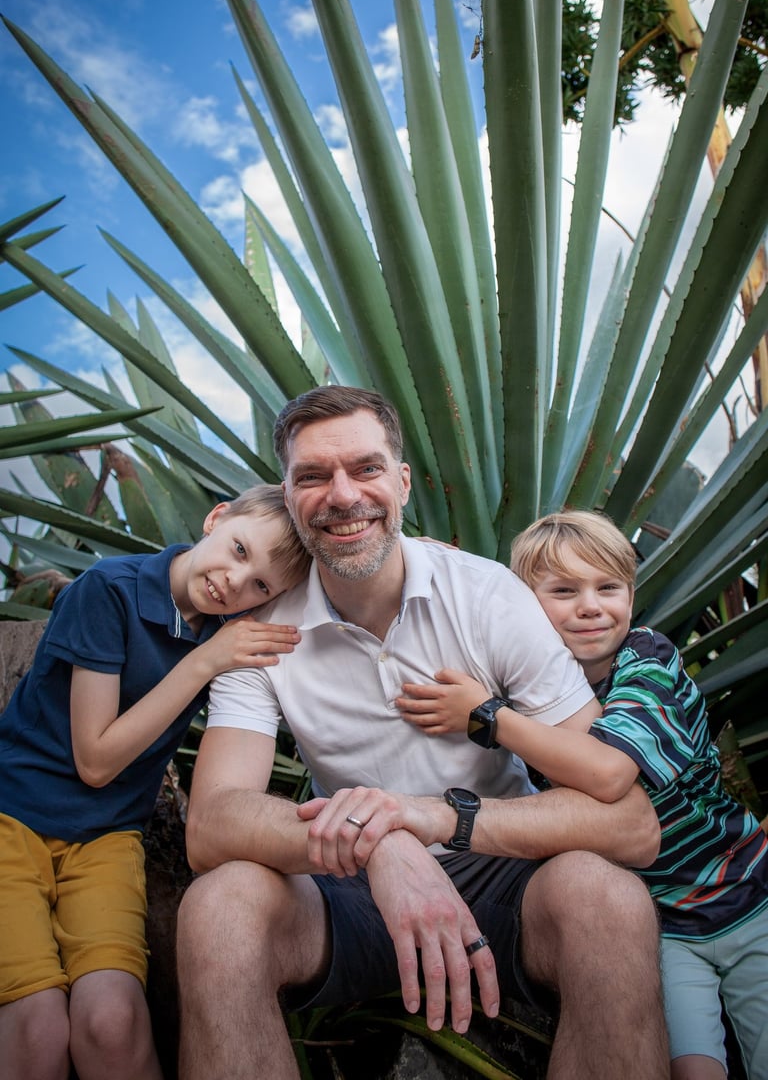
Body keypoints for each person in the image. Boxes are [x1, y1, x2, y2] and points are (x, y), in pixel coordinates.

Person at [176, 385, 670, 1080]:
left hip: (506, 872)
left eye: (366, 467)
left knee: (610, 900)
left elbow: (630, 822)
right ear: (287, 497)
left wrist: (435, 821)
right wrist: (379, 845)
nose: (343, 495)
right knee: (219, 910)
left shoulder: (489, 596)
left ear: (402, 481)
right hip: (346, 887)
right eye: (313, 476)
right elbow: (213, 824)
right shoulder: (261, 633)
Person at [398, 509, 768, 1080]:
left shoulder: (647, 661)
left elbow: (609, 775)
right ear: (522, 605)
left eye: (608, 588)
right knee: (693, 1068)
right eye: (564, 591)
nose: (591, 606)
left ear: (631, 593)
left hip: (745, 895)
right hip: (659, 924)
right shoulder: (528, 684)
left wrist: (487, 715)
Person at [0, 484, 308, 1080]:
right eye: (240, 550)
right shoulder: (108, 590)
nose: (235, 583)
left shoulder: (228, 625)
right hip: (12, 819)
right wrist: (206, 660)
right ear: (217, 518)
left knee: (111, 1024)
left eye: (261, 586)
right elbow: (95, 760)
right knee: (38, 1031)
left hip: (107, 839)